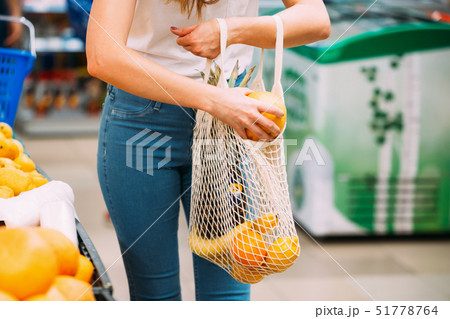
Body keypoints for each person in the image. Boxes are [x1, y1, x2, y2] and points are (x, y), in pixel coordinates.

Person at [86, 0, 330, 301]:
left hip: (230, 120)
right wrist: (214, 100)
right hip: (144, 121)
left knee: (230, 287)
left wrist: (230, 29)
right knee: (155, 295)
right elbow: (102, 55)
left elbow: (316, 19)